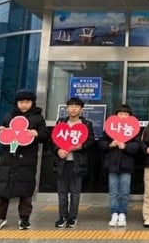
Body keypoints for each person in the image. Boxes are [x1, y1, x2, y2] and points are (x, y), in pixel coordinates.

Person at [0, 89, 48, 231]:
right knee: (3, 190)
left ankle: (24, 219)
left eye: (27, 102)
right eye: (21, 102)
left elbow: (45, 136)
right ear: (17, 103)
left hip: (27, 160)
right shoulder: (9, 116)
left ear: (32, 103)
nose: (24, 105)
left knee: (26, 191)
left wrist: (37, 133)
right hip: (8, 159)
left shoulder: (38, 118)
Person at [52, 97, 95, 228]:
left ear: (81, 109)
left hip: (78, 162)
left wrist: (81, 146)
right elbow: (53, 140)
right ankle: (62, 216)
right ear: (67, 109)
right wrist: (58, 150)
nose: (73, 108)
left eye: (77, 106)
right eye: (71, 106)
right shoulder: (60, 123)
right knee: (62, 192)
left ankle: (72, 217)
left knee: (75, 192)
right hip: (62, 162)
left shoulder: (86, 124)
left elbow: (91, 141)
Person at [98, 104, 141, 227]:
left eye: (126, 114)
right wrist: (110, 144)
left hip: (126, 166)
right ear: (116, 115)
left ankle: (122, 213)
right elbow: (101, 142)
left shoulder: (133, 129)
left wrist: (126, 146)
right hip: (112, 164)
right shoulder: (110, 127)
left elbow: (137, 146)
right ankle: (114, 213)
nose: (123, 116)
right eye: (120, 114)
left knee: (125, 191)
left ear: (130, 116)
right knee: (113, 191)